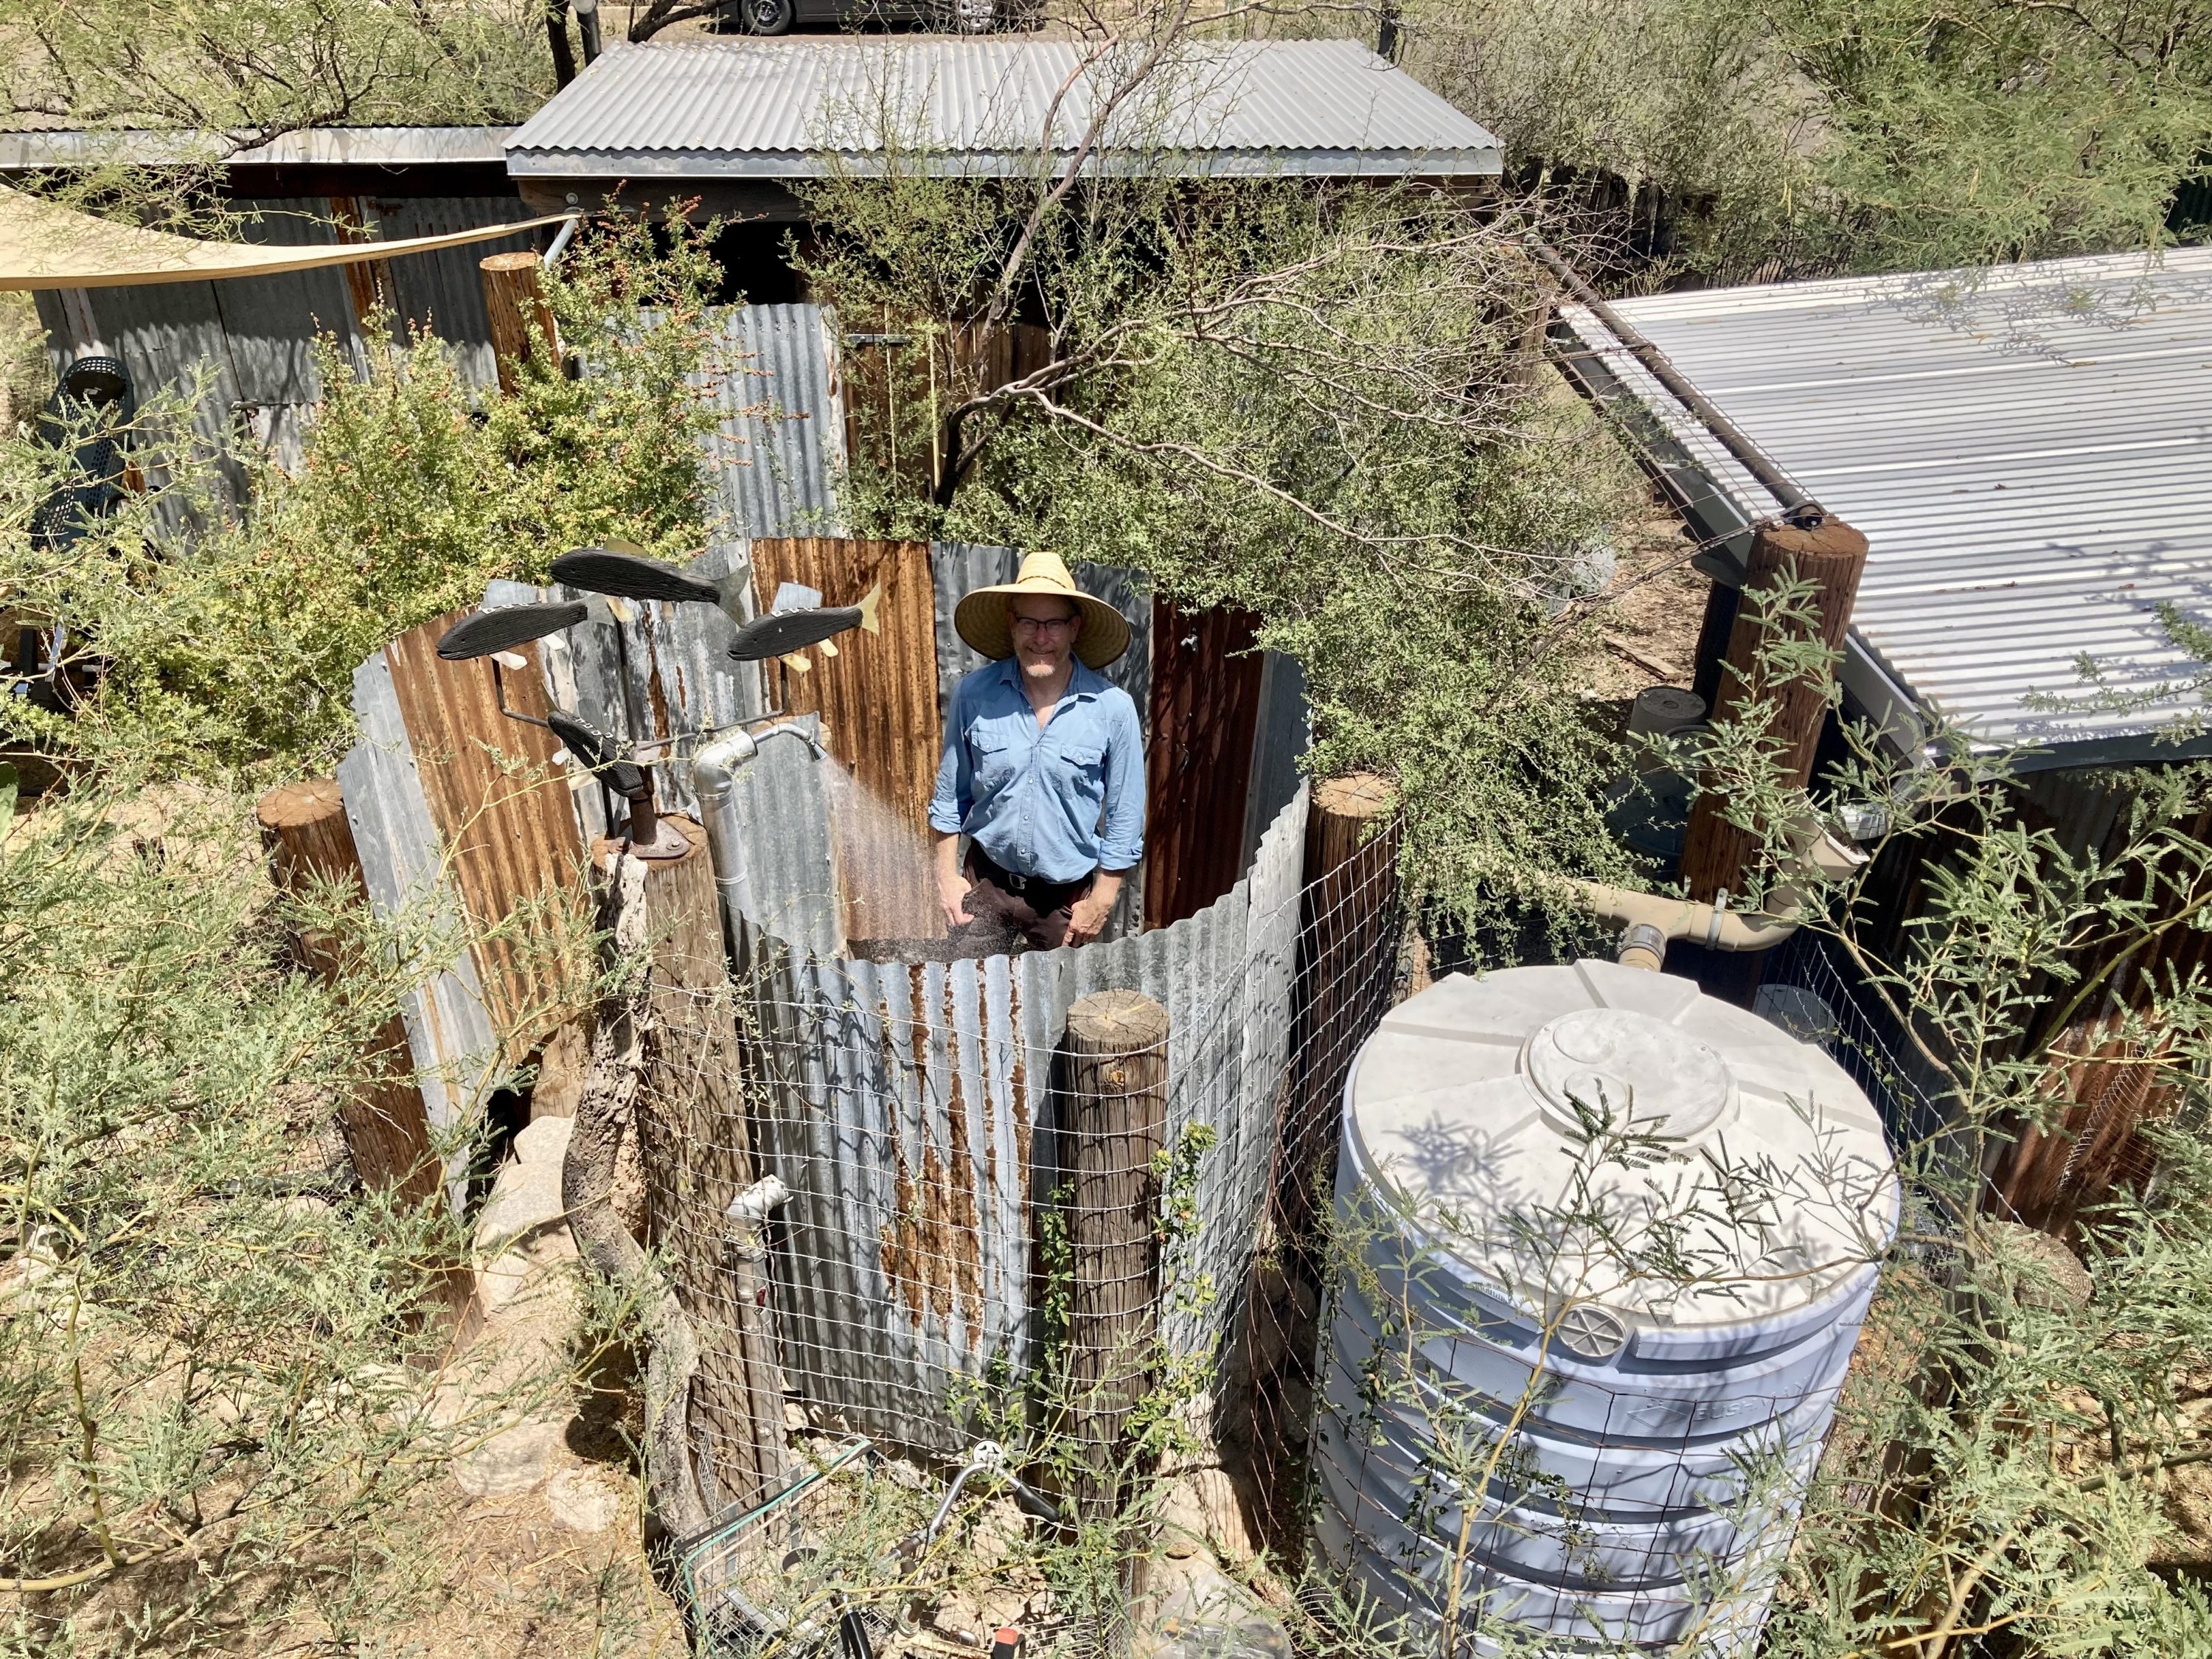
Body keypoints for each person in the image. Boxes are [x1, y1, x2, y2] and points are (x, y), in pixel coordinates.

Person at [930, 552, 1144, 953]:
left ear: (1074, 628)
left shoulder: (1113, 708)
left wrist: (1102, 898)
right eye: (1029, 621)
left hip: (1063, 904)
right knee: (972, 1002)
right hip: (984, 887)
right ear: (1012, 624)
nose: (1040, 638)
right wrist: (946, 877)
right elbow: (949, 797)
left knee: (1059, 1011)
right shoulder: (974, 695)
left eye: (1054, 624)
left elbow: (1125, 815)